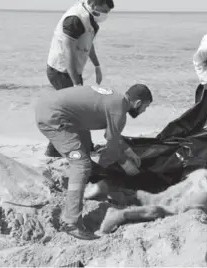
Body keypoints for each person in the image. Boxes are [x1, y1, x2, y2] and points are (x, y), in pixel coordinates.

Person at [35, 84, 153, 240]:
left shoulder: (115, 98)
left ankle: (92, 183)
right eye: (145, 107)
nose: (144, 111)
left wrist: (128, 151)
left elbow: (112, 136)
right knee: (81, 164)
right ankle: (70, 222)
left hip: (55, 108)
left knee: (86, 147)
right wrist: (126, 164)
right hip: (54, 118)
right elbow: (111, 147)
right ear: (138, 103)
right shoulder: (119, 112)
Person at [44, 0, 114, 157]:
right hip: (60, 70)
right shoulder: (75, 19)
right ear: (93, 4)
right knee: (75, 110)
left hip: (73, 70)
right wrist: (76, 83)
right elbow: (68, 51)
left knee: (72, 111)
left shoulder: (91, 20)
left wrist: (97, 66)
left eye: (108, 12)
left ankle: (58, 149)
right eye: (103, 10)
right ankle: (79, 148)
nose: (105, 15)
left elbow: (88, 44)